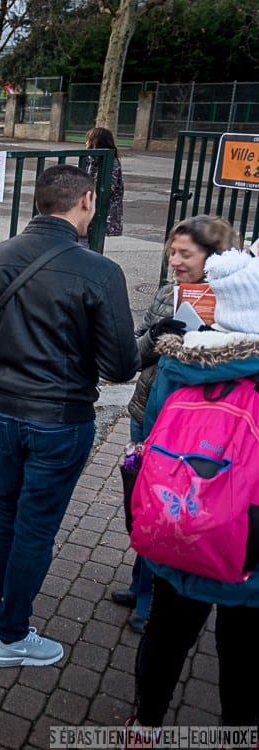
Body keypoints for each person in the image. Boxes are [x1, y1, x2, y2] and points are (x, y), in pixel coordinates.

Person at [0, 164, 138, 667]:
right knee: (35, 525)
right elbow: (122, 365)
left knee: (3, 508)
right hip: (59, 418)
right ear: (85, 201)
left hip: (2, 412)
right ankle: (10, 636)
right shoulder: (100, 271)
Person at [129, 247, 259, 733]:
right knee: (242, 648)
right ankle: (238, 731)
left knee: (166, 635)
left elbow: (151, 432)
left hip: (177, 528)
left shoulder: (181, 364)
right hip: (247, 551)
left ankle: (145, 726)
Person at [117, 215, 238, 632]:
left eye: (185, 253)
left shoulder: (237, 301)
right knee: (144, 504)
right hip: (146, 412)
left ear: (214, 257)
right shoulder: (169, 293)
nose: (175, 260)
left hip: (195, 429)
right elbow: (133, 354)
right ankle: (138, 585)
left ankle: (151, 601)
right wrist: (157, 337)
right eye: (172, 251)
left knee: (174, 511)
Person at [84, 127, 123, 237]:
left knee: (93, 241)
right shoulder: (89, 159)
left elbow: (107, 188)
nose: (86, 143)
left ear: (96, 142)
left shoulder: (110, 162)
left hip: (102, 212)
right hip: (89, 209)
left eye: (89, 140)